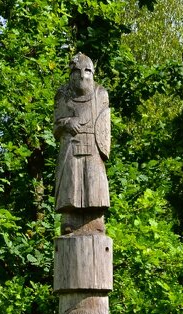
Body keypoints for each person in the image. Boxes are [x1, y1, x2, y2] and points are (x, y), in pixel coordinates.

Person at [54, 54, 110, 234]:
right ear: (70, 74)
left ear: (93, 73)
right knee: (72, 184)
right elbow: (56, 125)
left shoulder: (101, 93)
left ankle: (95, 219)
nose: (82, 76)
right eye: (77, 71)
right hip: (71, 146)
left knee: (94, 183)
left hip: (93, 147)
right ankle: (70, 219)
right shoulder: (62, 95)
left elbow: (104, 124)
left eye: (87, 71)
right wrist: (67, 122)